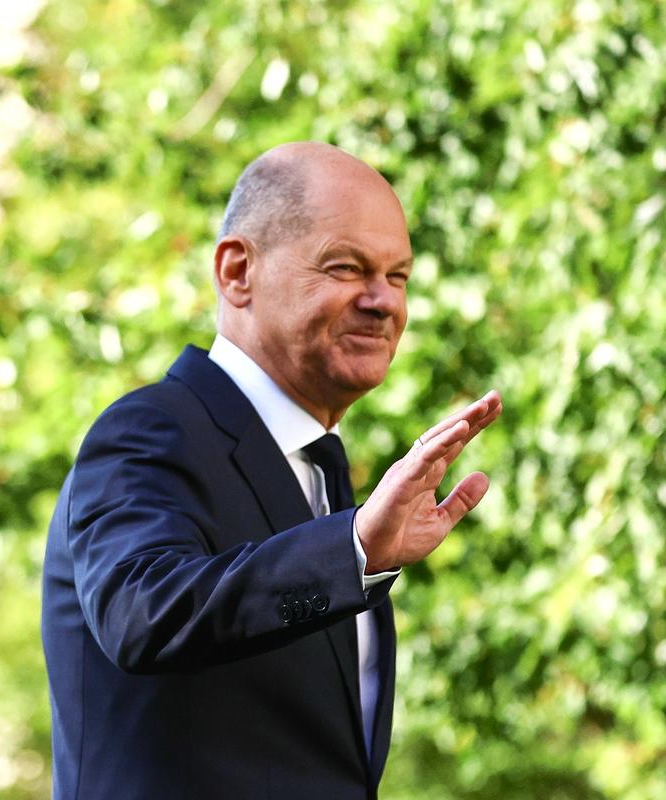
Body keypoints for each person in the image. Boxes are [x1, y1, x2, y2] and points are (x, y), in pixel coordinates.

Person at [41, 141, 502, 799]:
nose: (383, 302)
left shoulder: (321, 470)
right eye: (346, 268)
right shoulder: (152, 428)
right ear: (236, 271)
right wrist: (354, 548)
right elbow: (140, 612)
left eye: (398, 277)